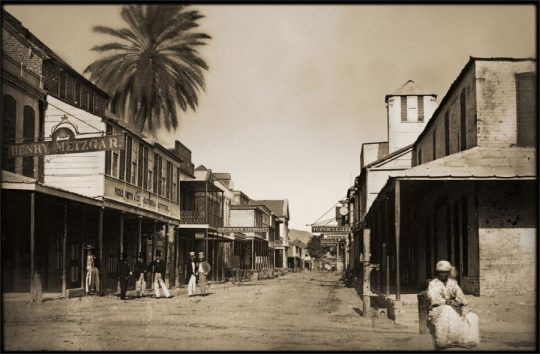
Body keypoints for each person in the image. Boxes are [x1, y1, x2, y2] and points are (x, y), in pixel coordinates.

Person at [427, 260, 479, 349]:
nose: (442, 275)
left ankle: (466, 340)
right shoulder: (433, 284)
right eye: (440, 272)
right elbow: (434, 298)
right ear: (437, 273)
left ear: (448, 272)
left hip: (454, 307)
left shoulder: (453, 283)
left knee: (472, 316)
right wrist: (448, 302)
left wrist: (461, 303)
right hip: (438, 310)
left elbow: (461, 297)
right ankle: (444, 341)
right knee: (448, 310)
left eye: (445, 272)